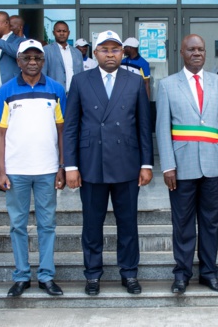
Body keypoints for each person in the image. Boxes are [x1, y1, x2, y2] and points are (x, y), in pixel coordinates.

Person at [63, 30, 153, 296]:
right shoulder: (80, 81)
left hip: (127, 163)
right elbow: (71, 127)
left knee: (128, 223)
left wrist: (146, 164)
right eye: (104, 49)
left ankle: (129, 273)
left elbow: (143, 126)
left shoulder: (134, 81)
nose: (110, 54)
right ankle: (92, 274)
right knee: (92, 224)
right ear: (95, 53)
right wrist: (71, 166)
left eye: (115, 49)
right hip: (91, 164)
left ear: (123, 53)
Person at [156, 34, 218, 294]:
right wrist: (167, 166)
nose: (197, 53)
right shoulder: (167, 85)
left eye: (201, 49)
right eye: (191, 49)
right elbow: (163, 127)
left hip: (213, 164)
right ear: (182, 52)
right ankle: (182, 274)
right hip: (181, 165)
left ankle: (209, 273)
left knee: (211, 222)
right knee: (183, 223)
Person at [0, 39, 67, 297]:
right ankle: (22, 276)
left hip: (47, 169)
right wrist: (1, 171)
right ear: (18, 60)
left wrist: (62, 167)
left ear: (43, 61)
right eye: (27, 57)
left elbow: (62, 131)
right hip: (16, 171)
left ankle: (46, 276)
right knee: (17, 225)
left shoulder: (56, 90)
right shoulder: (6, 91)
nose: (33, 62)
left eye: (37, 58)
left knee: (47, 224)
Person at [42, 21, 83, 93]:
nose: (61, 33)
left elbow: (82, 75)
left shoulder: (77, 53)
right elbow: (43, 74)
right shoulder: (46, 51)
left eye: (64, 31)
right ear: (53, 33)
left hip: (75, 94)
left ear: (69, 33)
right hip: (54, 94)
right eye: (58, 31)